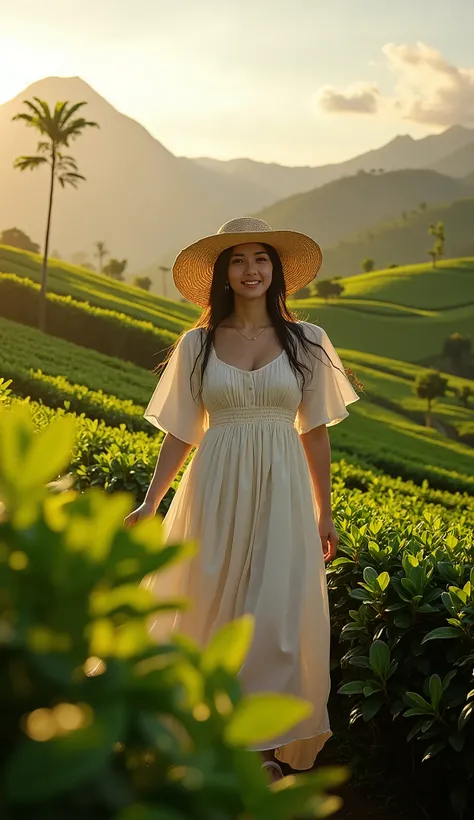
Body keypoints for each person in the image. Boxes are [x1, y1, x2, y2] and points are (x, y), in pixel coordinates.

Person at [124, 217, 360, 781]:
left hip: (282, 491)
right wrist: (152, 502)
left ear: (276, 271)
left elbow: (316, 431)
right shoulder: (196, 344)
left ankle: (257, 751)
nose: (251, 269)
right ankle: (200, 744)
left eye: (261, 259)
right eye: (238, 260)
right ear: (223, 274)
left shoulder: (309, 341)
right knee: (205, 607)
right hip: (213, 487)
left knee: (272, 615)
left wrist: (324, 510)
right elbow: (181, 430)